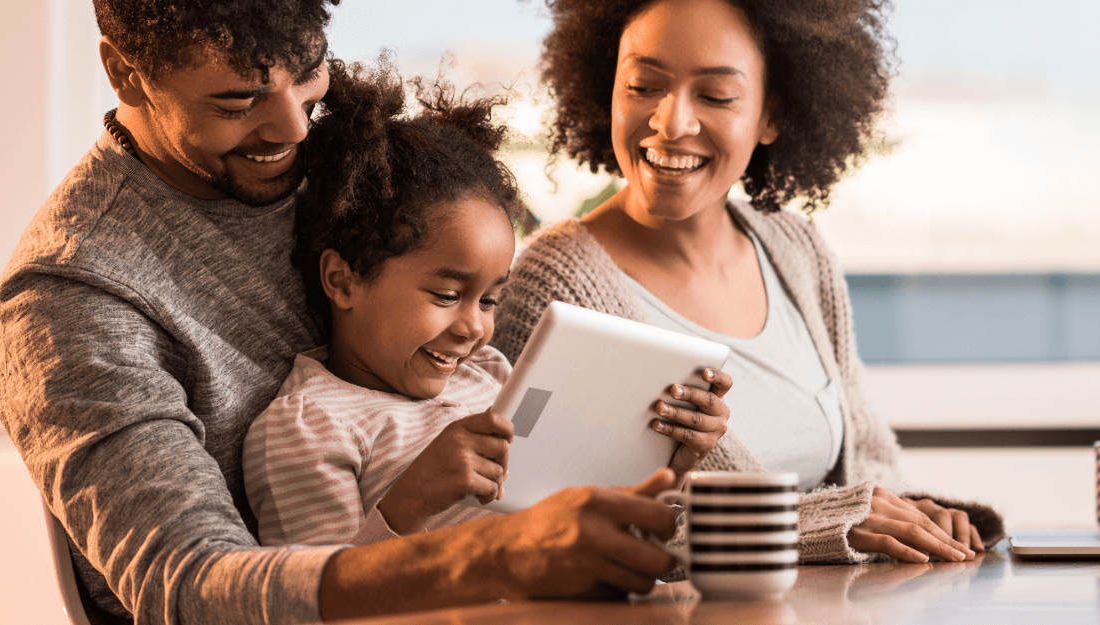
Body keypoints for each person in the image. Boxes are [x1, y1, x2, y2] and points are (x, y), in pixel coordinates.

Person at [0, 3, 685, 623]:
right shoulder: (73, 292)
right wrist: (490, 555)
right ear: (126, 73)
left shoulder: (357, 174)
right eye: (237, 100)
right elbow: (193, 587)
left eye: (309, 73)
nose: (293, 126)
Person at [491, 0, 1004, 565]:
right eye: (642, 86)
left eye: (715, 96)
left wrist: (915, 516)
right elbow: (550, 524)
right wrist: (822, 522)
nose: (672, 123)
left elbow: (868, 469)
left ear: (770, 116)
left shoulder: (796, 251)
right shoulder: (552, 286)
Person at [243, 58, 734, 547]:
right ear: (343, 280)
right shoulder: (310, 427)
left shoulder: (491, 377)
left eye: (490, 300)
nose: (474, 328)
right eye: (447, 296)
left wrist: (668, 467)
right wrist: (411, 500)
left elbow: (584, 516)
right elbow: (316, 588)